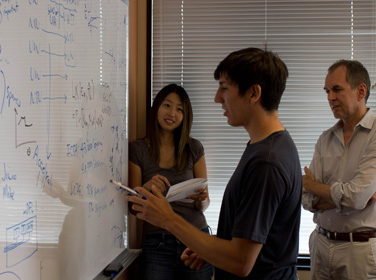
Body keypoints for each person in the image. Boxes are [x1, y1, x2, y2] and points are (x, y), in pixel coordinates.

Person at [127, 47, 303, 279]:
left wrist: (168, 219)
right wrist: (208, 248)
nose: (217, 97)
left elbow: (241, 262)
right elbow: (250, 238)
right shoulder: (266, 145)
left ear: (253, 93)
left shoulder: (266, 162)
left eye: (224, 87)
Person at [302, 59, 376, 279]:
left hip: (362, 250)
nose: (329, 97)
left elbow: (355, 196)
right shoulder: (325, 138)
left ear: (361, 91)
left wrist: (313, 186)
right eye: (327, 91)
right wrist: (349, 199)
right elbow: (305, 198)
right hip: (321, 243)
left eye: (336, 89)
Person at [129, 83, 213, 280]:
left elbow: (204, 203)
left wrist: (201, 200)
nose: (172, 113)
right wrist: (145, 189)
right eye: (167, 105)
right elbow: (133, 209)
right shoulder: (138, 149)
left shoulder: (194, 148)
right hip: (157, 242)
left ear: (185, 116)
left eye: (179, 109)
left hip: (195, 238)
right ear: (157, 107)